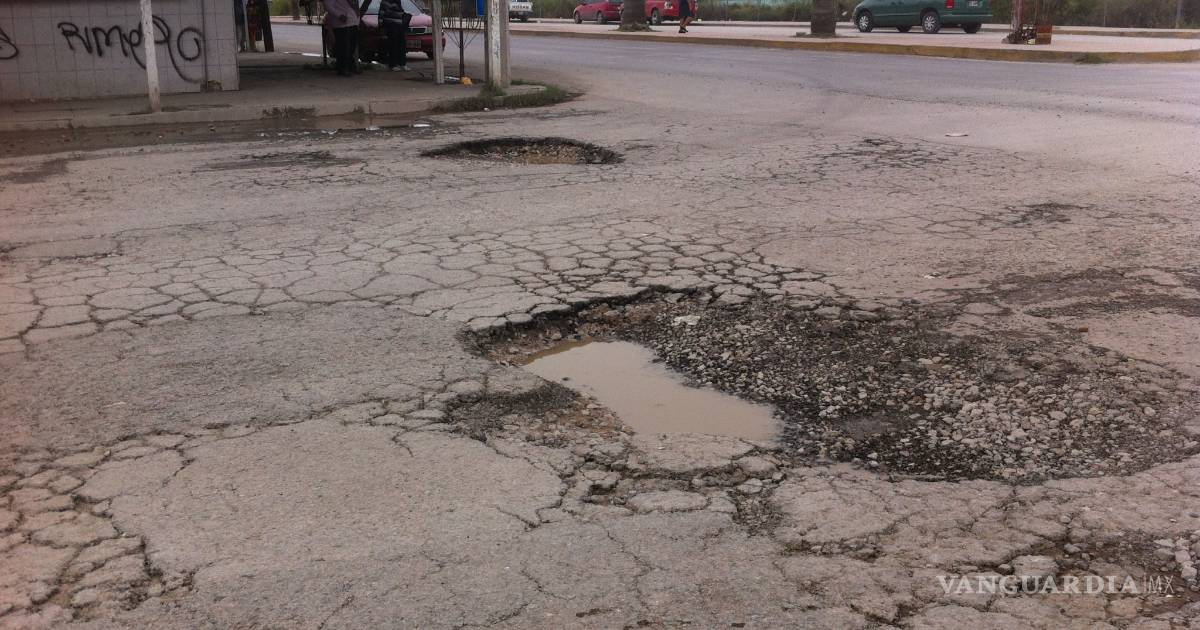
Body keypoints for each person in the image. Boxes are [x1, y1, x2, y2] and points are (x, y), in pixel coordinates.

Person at [323, 0, 361, 76]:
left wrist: (357, 19)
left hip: (353, 21)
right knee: (343, 47)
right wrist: (339, 15)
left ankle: (350, 66)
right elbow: (328, 5)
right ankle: (342, 68)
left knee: (352, 47)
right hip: (341, 23)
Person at [379, 0, 412, 71]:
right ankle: (393, 64)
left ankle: (402, 64)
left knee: (402, 45)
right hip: (390, 25)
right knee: (393, 46)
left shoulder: (398, 2)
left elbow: (401, 12)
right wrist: (381, 27)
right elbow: (381, 14)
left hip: (399, 25)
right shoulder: (385, 2)